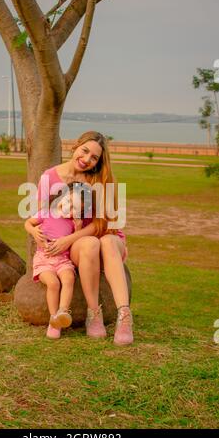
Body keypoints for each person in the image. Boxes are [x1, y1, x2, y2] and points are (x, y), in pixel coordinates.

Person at [36, 131, 133, 346]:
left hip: (107, 237)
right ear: (76, 146)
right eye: (85, 151)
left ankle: (124, 316)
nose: (87, 159)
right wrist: (35, 232)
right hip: (84, 244)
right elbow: (42, 216)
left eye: (94, 157)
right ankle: (94, 313)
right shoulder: (49, 177)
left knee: (105, 240)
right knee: (90, 243)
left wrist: (69, 239)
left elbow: (103, 225)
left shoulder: (99, 179)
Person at [25, 181, 92, 339]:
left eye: (74, 208)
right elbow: (27, 223)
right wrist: (34, 231)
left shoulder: (72, 223)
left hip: (62, 259)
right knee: (53, 284)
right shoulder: (46, 213)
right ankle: (53, 319)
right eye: (68, 201)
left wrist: (79, 227)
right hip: (44, 259)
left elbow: (75, 242)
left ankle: (63, 311)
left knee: (68, 278)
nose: (68, 207)